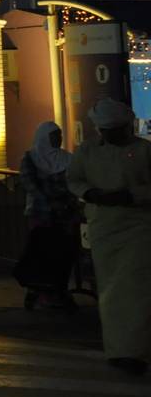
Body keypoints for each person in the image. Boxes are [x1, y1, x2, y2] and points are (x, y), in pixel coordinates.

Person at [66, 97, 151, 376]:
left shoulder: (143, 151)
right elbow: (75, 180)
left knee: (136, 291)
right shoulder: (88, 151)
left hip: (138, 227)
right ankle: (119, 350)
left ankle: (135, 350)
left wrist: (129, 196)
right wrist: (92, 194)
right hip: (104, 227)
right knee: (111, 292)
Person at [14, 120, 80, 312]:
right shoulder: (31, 158)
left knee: (63, 254)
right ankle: (42, 292)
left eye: (59, 135)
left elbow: (75, 182)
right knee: (43, 253)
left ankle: (57, 291)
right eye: (54, 136)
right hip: (41, 214)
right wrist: (51, 202)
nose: (58, 139)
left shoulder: (67, 159)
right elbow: (30, 184)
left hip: (65, 215)